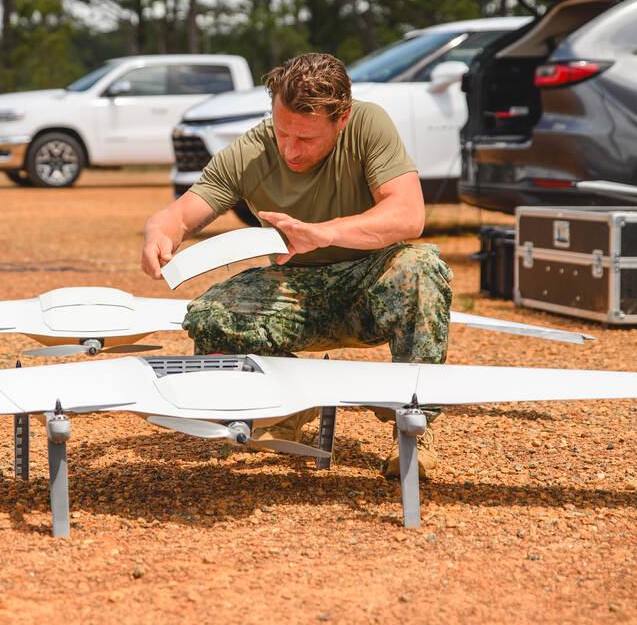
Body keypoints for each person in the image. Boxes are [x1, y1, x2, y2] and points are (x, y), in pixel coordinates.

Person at [141, 52, 452, 477]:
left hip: (370, 283)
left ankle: (415, 432)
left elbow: (409, 215)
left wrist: (324, 233)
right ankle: (289, 403)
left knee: (421, 267)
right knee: (209, 317)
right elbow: (179, 214)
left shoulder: (368, 125)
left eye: (305, 138)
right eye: (282, 130)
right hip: (297, 290)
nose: (289, 148)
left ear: (341, 119)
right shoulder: (253, 150)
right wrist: (159, 234)